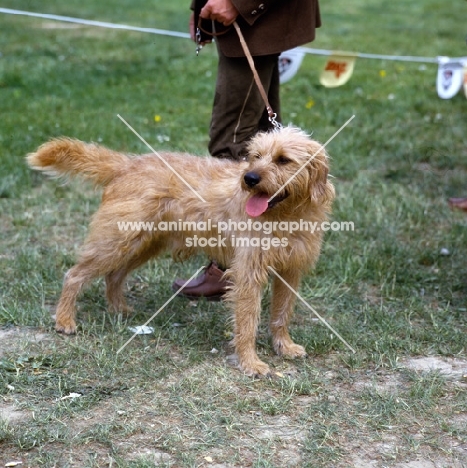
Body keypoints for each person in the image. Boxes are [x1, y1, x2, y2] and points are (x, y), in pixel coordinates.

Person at [172, 0, 322, 300]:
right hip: (246, 18)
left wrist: (239, 4)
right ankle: (262, 251)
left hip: (254, 16)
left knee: (231, 141)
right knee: (264, 134)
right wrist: (200, 5)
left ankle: (227, 264)